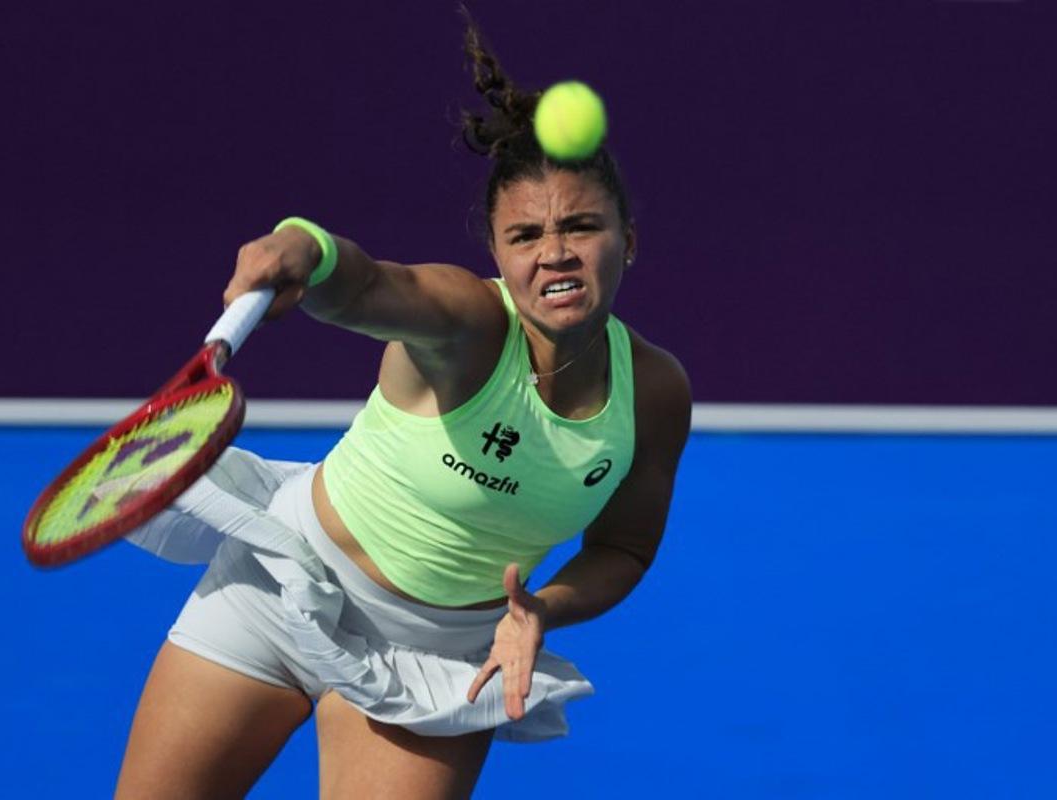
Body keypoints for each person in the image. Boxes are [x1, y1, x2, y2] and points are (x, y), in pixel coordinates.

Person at [113, 21, 691, 800]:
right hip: (281, 584)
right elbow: (366, 286)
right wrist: (304, 247)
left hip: (436, 659)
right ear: (497, 255)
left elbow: (623, 548)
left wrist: (541, 612)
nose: (553, 251)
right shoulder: (466, 325)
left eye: (581, 226)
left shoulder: (654, 392)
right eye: (525, 235)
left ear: (630, 241)